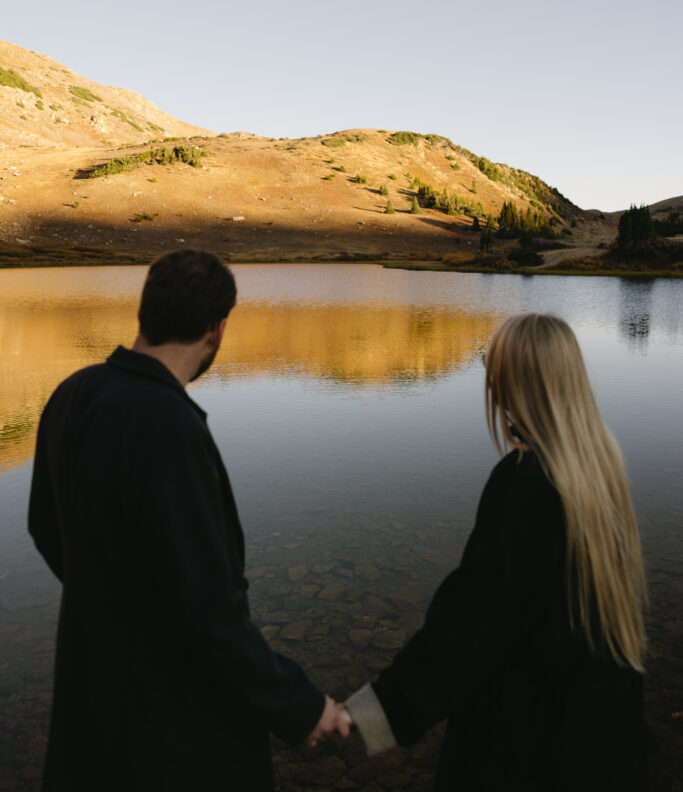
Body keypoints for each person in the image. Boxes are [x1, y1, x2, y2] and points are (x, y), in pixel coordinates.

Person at [28, 249, 350, 791]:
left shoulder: (72, 395)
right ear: (217, 329)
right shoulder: (168, 424)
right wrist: (300, 706)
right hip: (168, 739)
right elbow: (207, 608)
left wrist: (109, 600)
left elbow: (45, 527)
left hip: (89, 712)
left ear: (145, 313)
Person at [346, 313, 651, 791]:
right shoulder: (599, 466)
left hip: (535, 747)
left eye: (494, 365)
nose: (489, 376)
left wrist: (371, 715)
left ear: (516, 383)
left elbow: (470, 621)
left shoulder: (528, 482)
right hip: (604, 736)